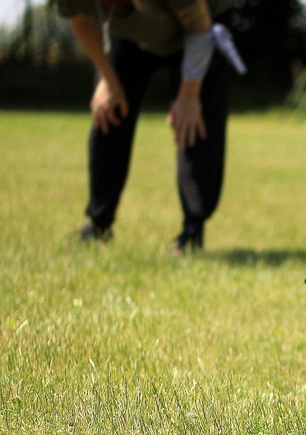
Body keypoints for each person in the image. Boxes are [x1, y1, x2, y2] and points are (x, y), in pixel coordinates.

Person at [58, 0, 245, 254]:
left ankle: (192, 230)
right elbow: (80, 19)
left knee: (194, 125)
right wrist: (106, 78)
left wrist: (189, 96)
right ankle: (98, 223)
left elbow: (199, 26)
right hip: (130, 35)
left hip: (198, 29)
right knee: (108, 111)